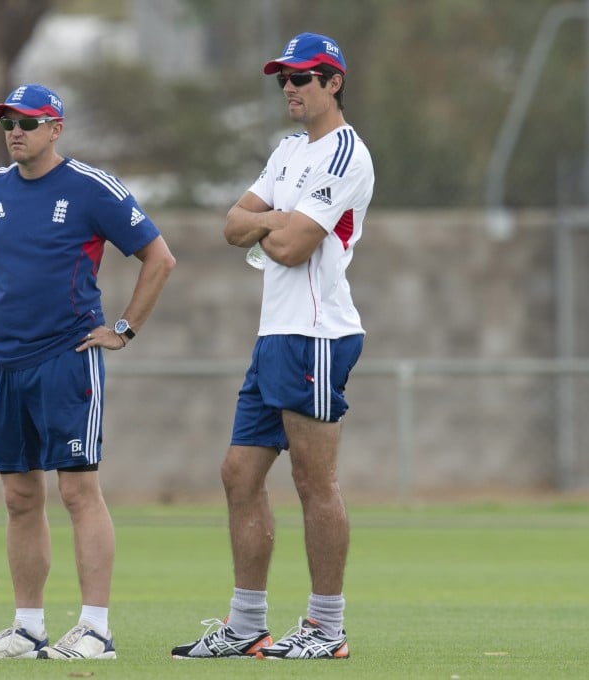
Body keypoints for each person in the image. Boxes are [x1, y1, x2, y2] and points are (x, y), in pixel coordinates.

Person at [170, 32, 373, 661]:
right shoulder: (287, 151)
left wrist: (272, 226)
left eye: (304, 77)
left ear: (333, 82)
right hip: (275, 334)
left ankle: (326, 628)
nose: (290, 86)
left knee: (314, 481)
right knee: (238, 473)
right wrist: (273, 221)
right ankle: (247, 625)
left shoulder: (343, 155)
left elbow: (290, 248)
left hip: (316, 333)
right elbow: (232, 223)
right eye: (283, 77)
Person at [0, 83, 175, 661]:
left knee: (78, 490)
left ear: (56, 129)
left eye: (28, 121)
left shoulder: (89, 188)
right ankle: (28, 629)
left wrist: (124, 329)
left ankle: (96, 629)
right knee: (18, 496)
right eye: (8, 121)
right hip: (3, 363)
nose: (15, 131)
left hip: (66, 358)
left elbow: (159, 256)